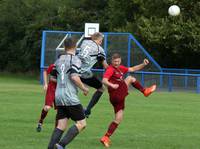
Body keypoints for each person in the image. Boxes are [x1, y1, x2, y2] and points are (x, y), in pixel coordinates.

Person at [100, 53, 156, 148]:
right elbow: (104, 80)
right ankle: (145, 91)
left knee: (118, 118)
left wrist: (143, 64)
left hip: (117, 98)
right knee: (130, 78)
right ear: (111, 61)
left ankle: (106, 137)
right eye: (114, 61)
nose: (116, 63)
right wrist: (112, 85)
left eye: (118, 61)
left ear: (120, 61)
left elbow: (133, 69)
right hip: (115, 94)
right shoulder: (110, 69)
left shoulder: (121, 68)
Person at [48, 37, 89, 149]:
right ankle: (61, 145)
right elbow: (74, 76)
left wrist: (63, 80)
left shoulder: (58, 60)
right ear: (75, 46)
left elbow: (52, 78)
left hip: (59, 96)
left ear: (64, 47)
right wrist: (84, 88)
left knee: (61, 125)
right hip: (69, 96)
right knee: (82, 124)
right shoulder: (75, 60)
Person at [77, 32, 108, 118]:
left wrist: (93, 36)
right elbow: (105, 66)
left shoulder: (84, 42)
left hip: (74, 68)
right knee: (101, 88)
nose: (101, 42)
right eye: (101, 41)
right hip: (84, 73)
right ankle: (87, 110)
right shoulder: (100, 50)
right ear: (99, 40)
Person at [36, 64, 57, 132]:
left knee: (60, 111)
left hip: (61, 91)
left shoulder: (67, 67)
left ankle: (57, 130)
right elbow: (45, 72)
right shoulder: (54, 66)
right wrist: (45, 84)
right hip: (51, 89)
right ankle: (40, 122)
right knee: (47, 107)